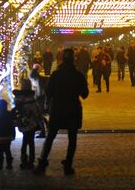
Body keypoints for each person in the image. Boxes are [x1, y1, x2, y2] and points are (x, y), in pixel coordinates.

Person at [34, 48, 89, 176]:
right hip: (73, 109)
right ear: (74, 59)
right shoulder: (78, 75)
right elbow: (85, 94)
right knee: (72, 138)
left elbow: (48, 92)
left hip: (58, 109)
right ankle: (68, 165)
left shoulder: (56, 74)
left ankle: (42, 163)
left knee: (51, 136)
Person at [12, 78, 43, 169]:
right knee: (31, 142)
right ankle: (31, 162)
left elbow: (17, 110)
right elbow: (36, 111)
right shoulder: (31, 98)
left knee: (24, 142)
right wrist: (39, 119)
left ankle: (23, 161)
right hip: (32, 123)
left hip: (23, 123)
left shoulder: (18, 98)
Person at [29, 64, 48, 138]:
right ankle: (45, 128)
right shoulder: (38, 79)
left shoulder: (37, 80)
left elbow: (41, 91)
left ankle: (43, 131)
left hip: (40, 99)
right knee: (40, 115)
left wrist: (37, 98)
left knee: (39, 115)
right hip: (40, 99)